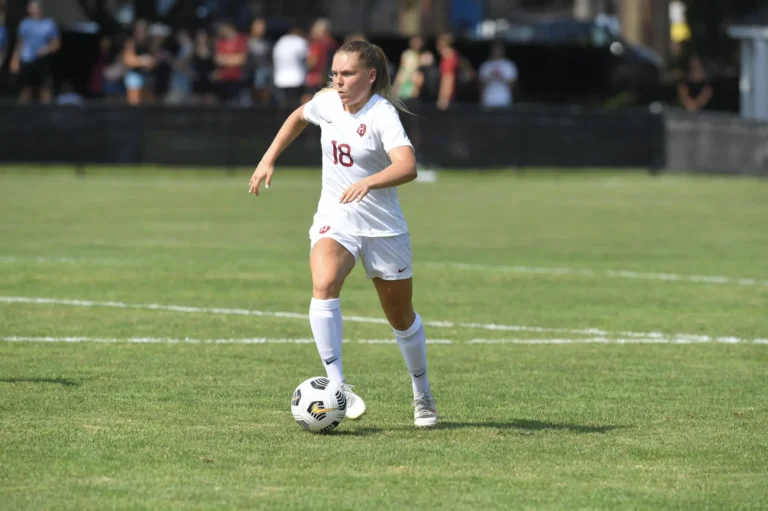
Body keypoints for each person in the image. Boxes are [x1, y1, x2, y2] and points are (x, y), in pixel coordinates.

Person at [248, 40, 438, 428]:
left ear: (370, 76)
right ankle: (338, 385)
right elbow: (299, 116)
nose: (339, 81)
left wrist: (369, 182)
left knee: (400, 316)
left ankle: (422, 393)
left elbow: (408, 165)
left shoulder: (382, 114)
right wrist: (269, 158)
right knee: (324, 283)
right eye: (334, 73)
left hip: (383, 227)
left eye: (347, 73)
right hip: (336, 215)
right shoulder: (328, 103)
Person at [10, 0, 61, 103]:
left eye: (33, 7)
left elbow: (56, 44)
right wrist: (15, 60)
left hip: (43, 62)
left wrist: (47, 49)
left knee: (45, 88)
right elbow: (20, 43)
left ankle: (46, 114)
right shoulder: (24, 24)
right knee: (26, 88)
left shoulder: (49, 24)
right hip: (27, 61)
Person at [272, 24, 307, 106]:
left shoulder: (280, 41)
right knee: (295, 106)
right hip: (297, 79)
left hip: (280, 80)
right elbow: (308, 59)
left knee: (283, 105)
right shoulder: (300, 41)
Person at [122, 19, 155, 105]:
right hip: (135, 76)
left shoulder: (150, 42)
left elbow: (154, 59)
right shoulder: (131, 42)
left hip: (148, 76)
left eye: (144, 29)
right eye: (139, 30)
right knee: (135, 104)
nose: (141, 32)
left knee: (148, 104)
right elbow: (127, 60)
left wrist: (151, 62)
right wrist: (142, 61)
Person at [478, 41, 517, 109]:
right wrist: (490, 76)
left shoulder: (509, 65)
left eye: (499, 49)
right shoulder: (486, 65)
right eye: (495, 49)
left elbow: (513, 85)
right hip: (488, 100)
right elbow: (480, 85)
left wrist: (501, 77)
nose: (497, 51)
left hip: (504, 100)